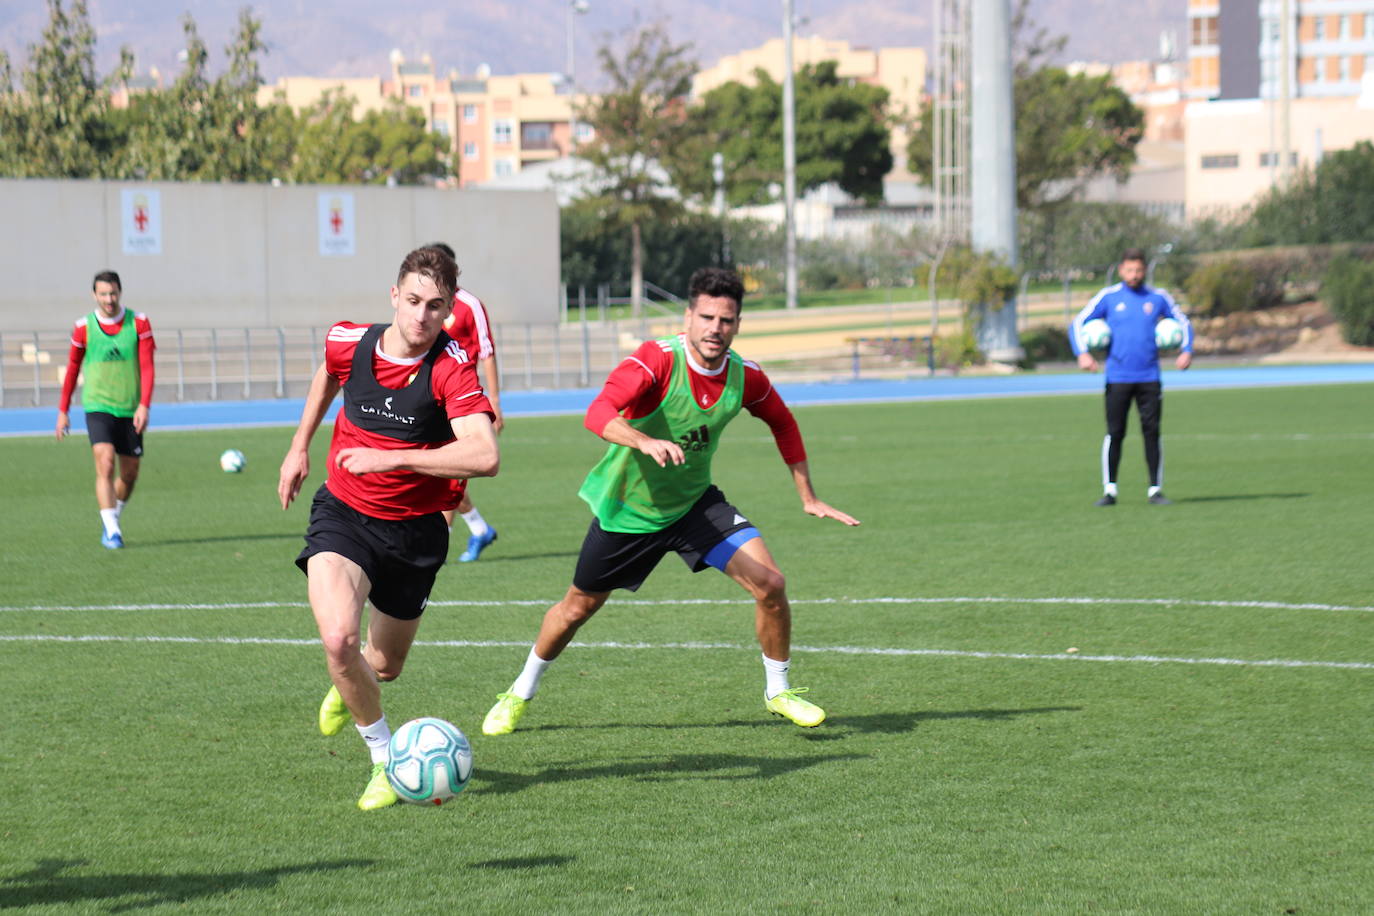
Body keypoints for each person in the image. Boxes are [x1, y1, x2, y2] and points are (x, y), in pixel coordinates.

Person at [481, 266, 859, 737]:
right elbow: (597, 413)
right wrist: (641, 441)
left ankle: (779, 691)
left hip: (694, 507)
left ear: (738, 324)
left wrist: (808, 496)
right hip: (629, 513)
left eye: (726, 320)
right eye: (706, 317)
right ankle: (519, 691)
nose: (715, 329)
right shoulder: (655, 361)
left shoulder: (745, 377)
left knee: (771, 585)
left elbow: (783, 423)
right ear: (688, 317)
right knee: (576, 609)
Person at [276, 246, 498, 810]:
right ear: (394, 295)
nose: (423, 316)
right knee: (338, 640)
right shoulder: (348, 340)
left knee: (384, 665)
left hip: (416, 532)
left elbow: (485, 454)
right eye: (415, 300)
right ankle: (384, 762)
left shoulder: (450, 367)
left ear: (449, 313)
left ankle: (348, 682)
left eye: (437, 307)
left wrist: (393, 459)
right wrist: (299, 446)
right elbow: (328, 373)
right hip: (344, 514)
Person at [1072, 247, 1193, 506]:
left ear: (1145, 270)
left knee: (1152, 432)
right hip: (1117, 377)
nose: (1134, 274)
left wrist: (1187, 350)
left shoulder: (1158, 297)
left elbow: (1184, 322)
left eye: (1138, 270)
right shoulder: (1109, 297)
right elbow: (1077, 323)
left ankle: (1155, 490)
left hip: (1149, 376)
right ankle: (1110, 490)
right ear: (1121, 270)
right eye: (1129, 270)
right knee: (1115, 433)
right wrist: (1082, 353)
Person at [55, 271, 156, 549]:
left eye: (113, 293)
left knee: (130, 473)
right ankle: (113, 532)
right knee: (105, 461)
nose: (109, 299)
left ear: (120, 292)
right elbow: (73, 369)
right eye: (103, 294)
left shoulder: (139, 322)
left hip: (130, 408)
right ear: (94, 295)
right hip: (97, 406)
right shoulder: (83, 327)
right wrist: (63, 410)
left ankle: (111, 517)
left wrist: (144, 404)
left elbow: (147, 366)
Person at [426, 242, 502, 562]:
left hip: (463, 400)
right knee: (437, 474)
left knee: (449, 474)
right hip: (432, 400)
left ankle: (438, 545)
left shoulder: (470, 305)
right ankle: (478, 528)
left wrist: (495, 402)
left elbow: (486, 350)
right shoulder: (427, 307)